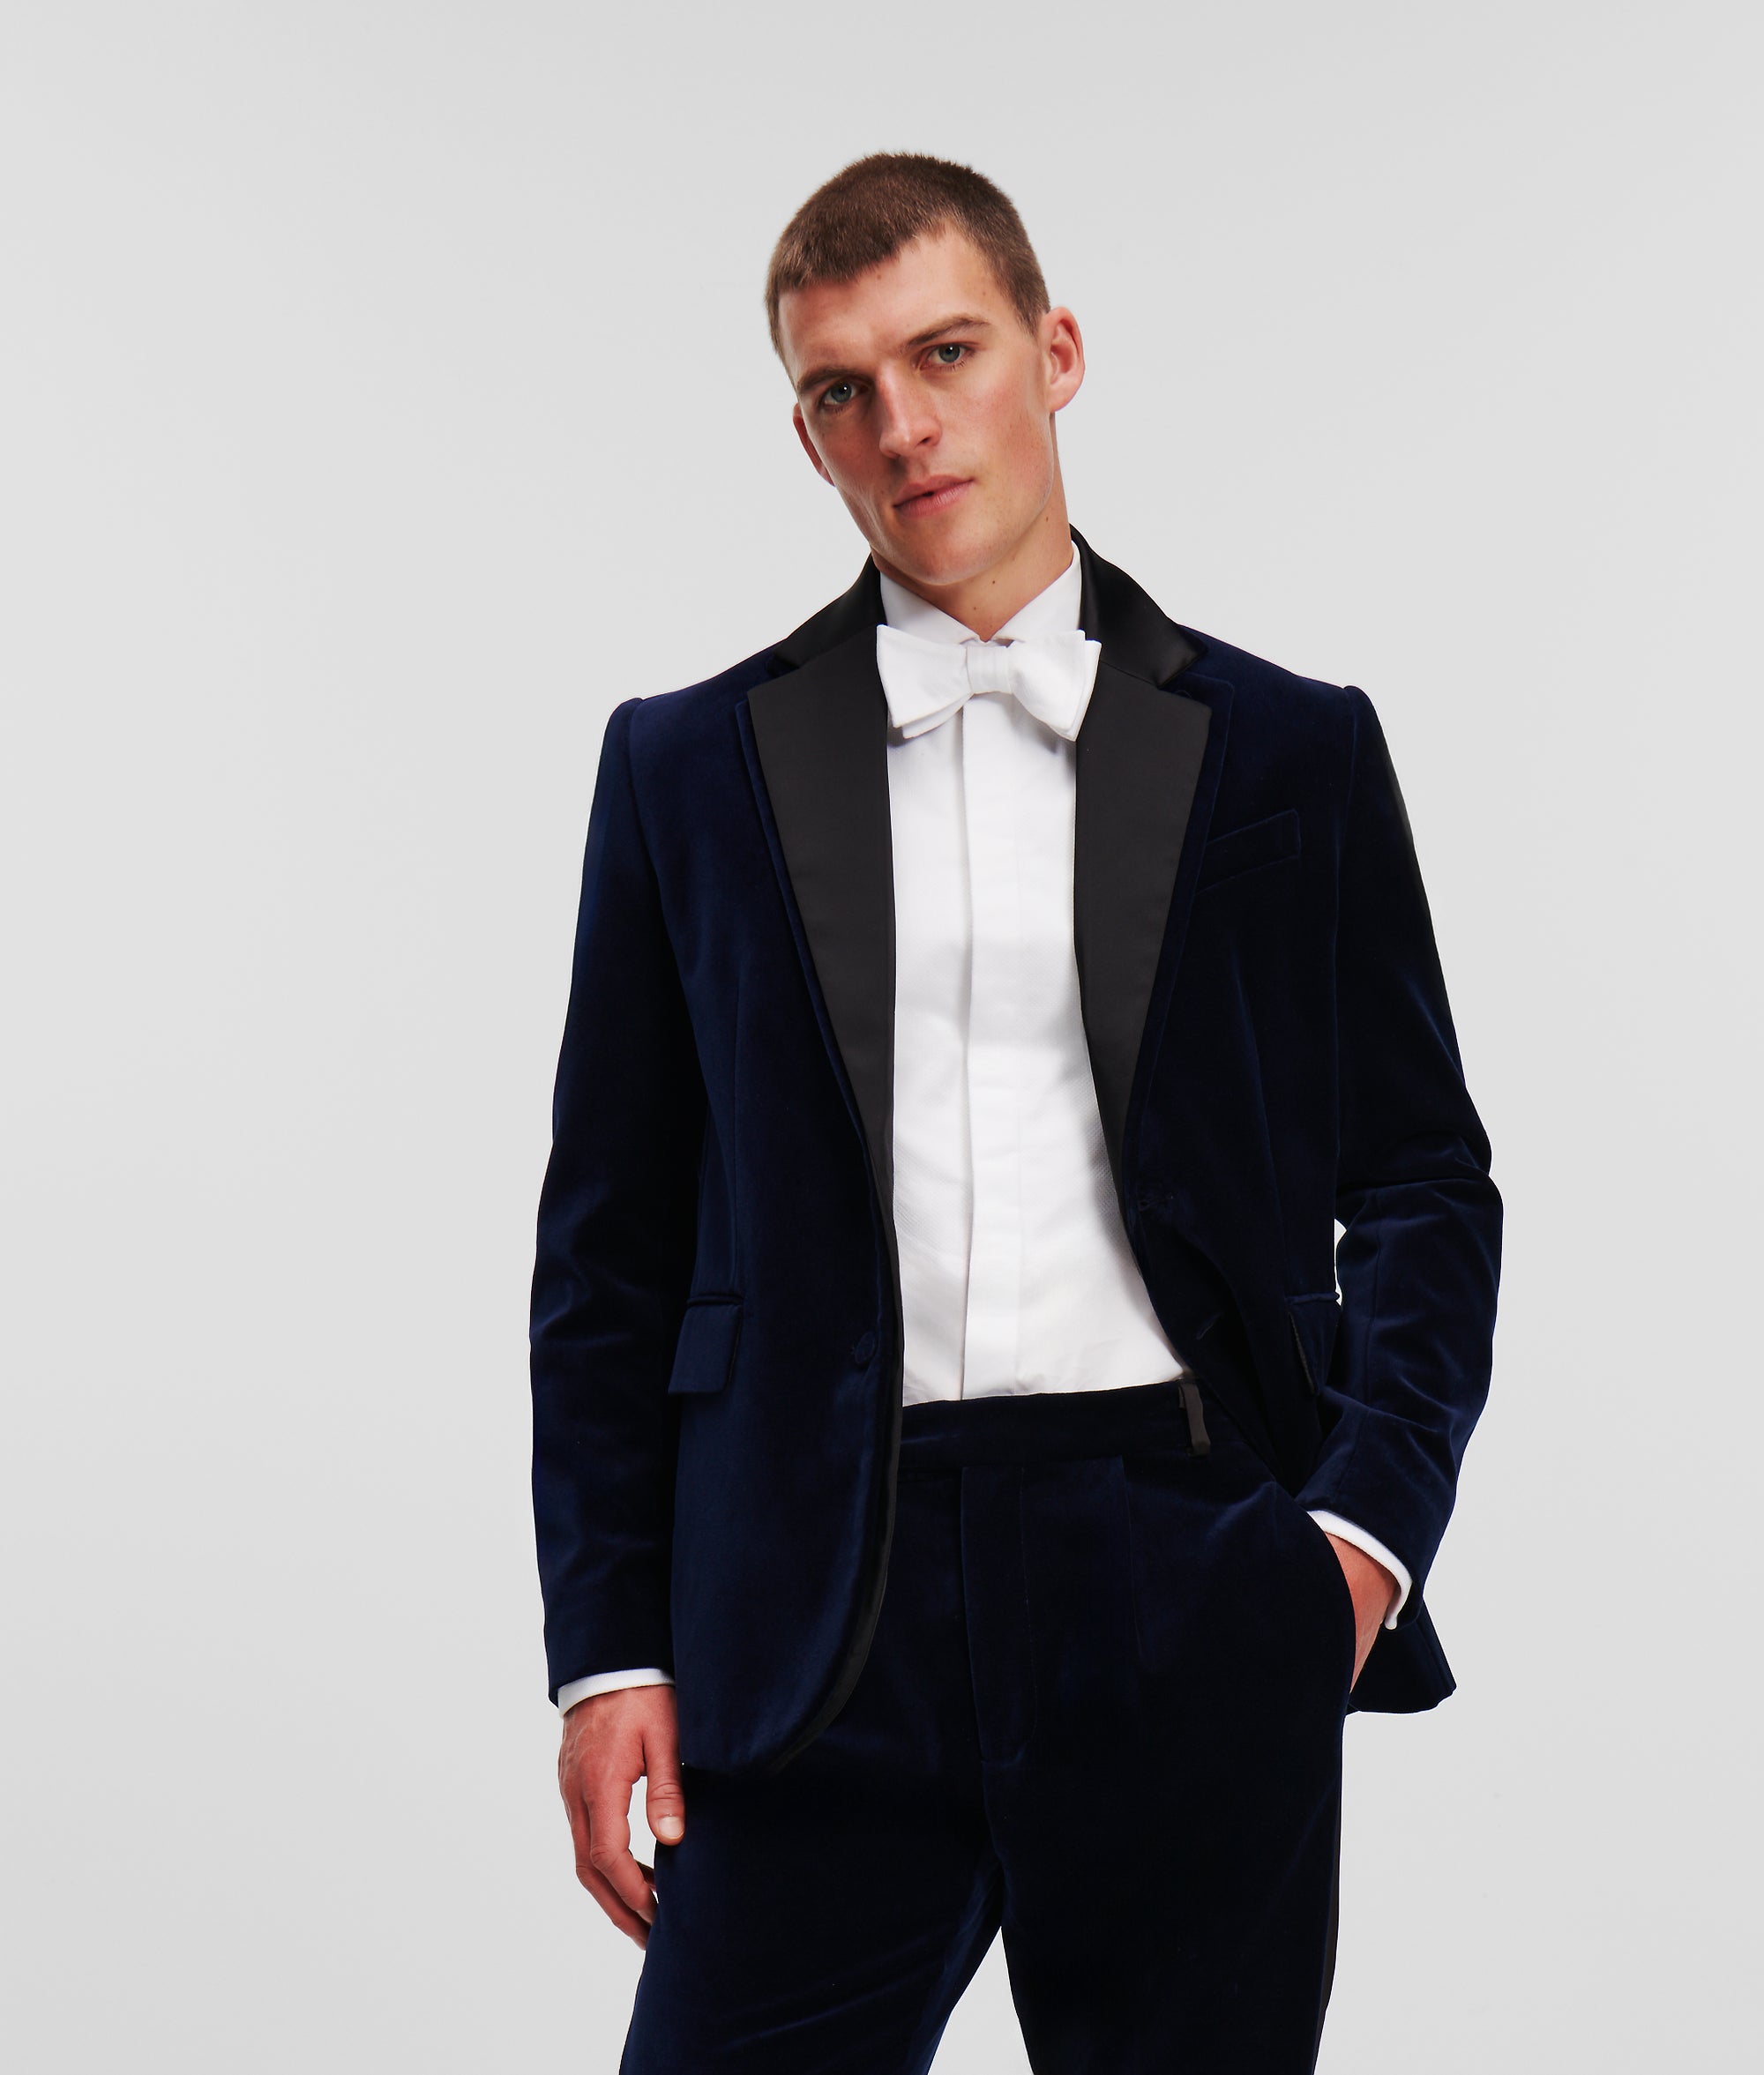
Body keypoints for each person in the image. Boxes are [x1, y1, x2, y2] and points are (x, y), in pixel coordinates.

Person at [528, 152, 1501, 2074]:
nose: (900, 424)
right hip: (813, 1593)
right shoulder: (685, 769)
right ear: (805, 435)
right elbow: (610, 1244)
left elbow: (1418, 1178)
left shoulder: (1294, 748)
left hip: (1187, 1564)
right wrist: (608, 1648)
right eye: (840, 388)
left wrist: (1359, 1538)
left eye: (945, 353)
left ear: (1054, 353)